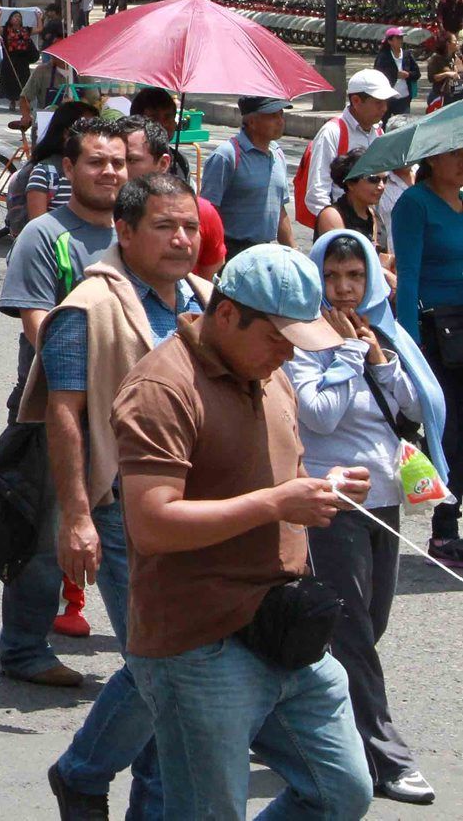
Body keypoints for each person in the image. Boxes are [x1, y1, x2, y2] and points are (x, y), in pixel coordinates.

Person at [112, 245, 374, 821]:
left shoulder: (268, 372)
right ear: (226, 313)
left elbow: (276, 472)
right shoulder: (162, 387)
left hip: (285, 631)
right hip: (202, 644)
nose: (287, 354)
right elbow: (153, 523)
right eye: (277, 337)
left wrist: (317, 485)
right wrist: (276, 503)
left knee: (342, 793)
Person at [23, 170, 207, 819]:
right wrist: (75, 513)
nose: (181, 237)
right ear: (123, 231)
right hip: (122, 507)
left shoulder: (203, 301)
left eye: (188, 224)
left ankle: (92, 773)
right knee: (163, 664)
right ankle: (89, 771)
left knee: (173, 664)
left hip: (195, 511)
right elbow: (64, 411)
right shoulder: (87, 308)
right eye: (164, 225)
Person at [294, 231, 440, 806]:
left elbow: (410, 406)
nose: (345, 289)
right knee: (353, 633)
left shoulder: (382, 332)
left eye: (355, 276)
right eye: (333, 277)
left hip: (385, 498)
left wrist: (377, 356)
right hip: (334, 501)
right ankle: (385, 756)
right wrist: (349, 356)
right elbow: (319, 417)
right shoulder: (304, 341)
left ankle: (285, 719)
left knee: (365, 625)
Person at [0, 114, 128, 685]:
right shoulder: (43, 235)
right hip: (59, 410)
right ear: (69, 169)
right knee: (47, 537)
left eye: (119, 162)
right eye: (96, 162)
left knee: (133, 534)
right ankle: (23, 649)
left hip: (133, 415)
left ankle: (151, 652)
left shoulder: (139, 233)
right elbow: (36, 323)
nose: (110, 172)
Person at [387, 142, 463, 564]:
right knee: (446, 431)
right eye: (456, 153)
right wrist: (408, 342)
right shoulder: (415, 203)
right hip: (437, 333)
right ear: (432, 158)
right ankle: (443, 530)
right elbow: (408, 274)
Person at [198, 96, 296, 253]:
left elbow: (280, 208)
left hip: (267, 251)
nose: (280, 121)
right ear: (251, 122)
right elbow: (208, 211)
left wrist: (293, 251)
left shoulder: (277, 153)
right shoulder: (227, 155)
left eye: (281, 114)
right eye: (272, 116)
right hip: (231, 250)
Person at [300, 71, 395, 229]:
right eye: (378, 102)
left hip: (372, 224)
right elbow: (318, 193)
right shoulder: (332, 132)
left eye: (386, 102)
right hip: (341, 225)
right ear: (356, 101)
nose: (384, 108)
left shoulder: (378, 133)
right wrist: (335, 228)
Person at [374, 28, 420, 117]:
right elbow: (377, 75)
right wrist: (395, 75)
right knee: (383, 124)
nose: (401, 40)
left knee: (403, 124)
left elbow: (417, 73)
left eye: (401, 38)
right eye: (398, 38)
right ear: (390, 41)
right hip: (386, 98)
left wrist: (408, 75)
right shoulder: (383, 56)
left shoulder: (407, 55)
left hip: (404, 98)